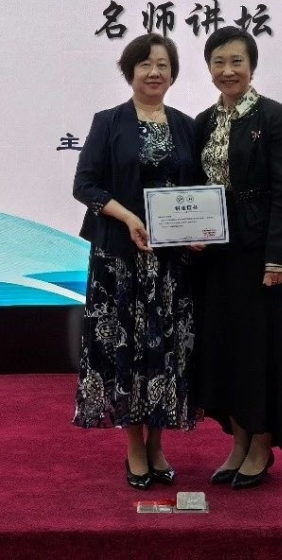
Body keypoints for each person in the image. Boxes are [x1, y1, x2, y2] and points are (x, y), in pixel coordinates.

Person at [71, 33, 201, 489]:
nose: (154, 73)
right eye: (145, 64)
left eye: (162, 65)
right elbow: (84, 185)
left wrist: (199, 232)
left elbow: (197, 192)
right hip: (120, 262)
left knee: (165, 353)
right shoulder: (108, 122)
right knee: (125, 351)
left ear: (173, 74)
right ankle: (134, 448)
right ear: (130, 71)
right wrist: (128, 217)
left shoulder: (187, 126)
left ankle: (158, 445)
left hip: (169, 267)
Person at [191, 26, 282, 489]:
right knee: (222, 348)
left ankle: (261, 445)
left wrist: (277, 259)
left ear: (252, 66)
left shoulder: (275, 117)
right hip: (213, 255)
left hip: (257, 255)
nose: (227, 70)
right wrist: (187, 235)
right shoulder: (203, 121)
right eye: (218, 62)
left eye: (236, 61)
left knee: (257, 350)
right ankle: (238, 443)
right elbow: (193, 190)